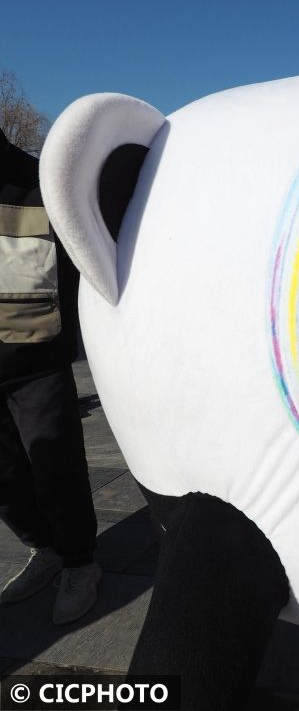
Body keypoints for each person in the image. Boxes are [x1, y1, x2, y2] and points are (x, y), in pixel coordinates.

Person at [0, 128, 100, 624]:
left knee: (56, 467)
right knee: (5, 479)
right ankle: (46, 548)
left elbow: (91, 256)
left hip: (33, 355)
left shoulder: (39, 180)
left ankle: (80, 561)